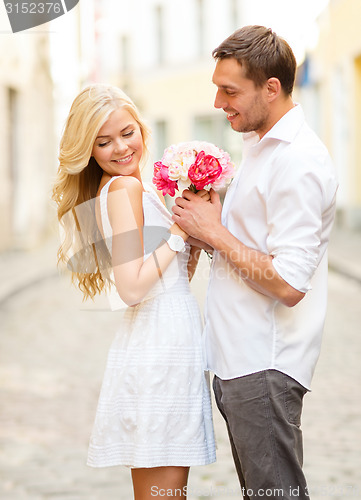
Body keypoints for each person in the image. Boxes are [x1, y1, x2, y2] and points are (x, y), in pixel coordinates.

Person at [172, 25, 338, 500]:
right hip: (237, 359)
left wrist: (213, 232)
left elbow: (289, 281)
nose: (220, 103)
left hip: (264, 362)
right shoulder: (260, 149)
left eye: (230, 91)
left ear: (271, 87)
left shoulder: (298, 161)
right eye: (217, 90)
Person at [52, 84, 216, 499]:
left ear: (141, 127)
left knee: (162, 490)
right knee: (164, 492)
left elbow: (166, 275)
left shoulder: (135, 189)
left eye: (127, 132)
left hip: (167, 339)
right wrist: (179, 234)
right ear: (88, 151)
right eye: (103, 142)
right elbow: (131, 287)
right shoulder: (123, 190)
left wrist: (189, 246)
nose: (120, 148)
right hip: (158, 345)